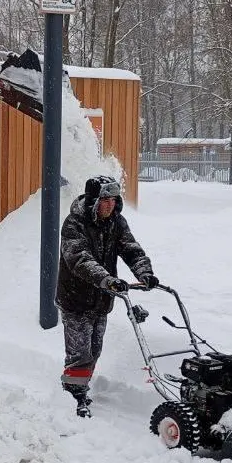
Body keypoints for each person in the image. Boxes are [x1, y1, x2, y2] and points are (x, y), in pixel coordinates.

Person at [55, 175, 158, 417]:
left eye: (113, 200)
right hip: (76, 298)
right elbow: (79, 259)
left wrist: (145, 273)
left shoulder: (116, 222)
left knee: (95, 348)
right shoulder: (74, 224)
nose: (110, 205)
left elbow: (131, 249)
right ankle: (74, 396)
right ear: (93, 201)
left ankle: (79, 386)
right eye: (104, 200)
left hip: (102, 300)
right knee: (79, 352)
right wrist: (106, 279)